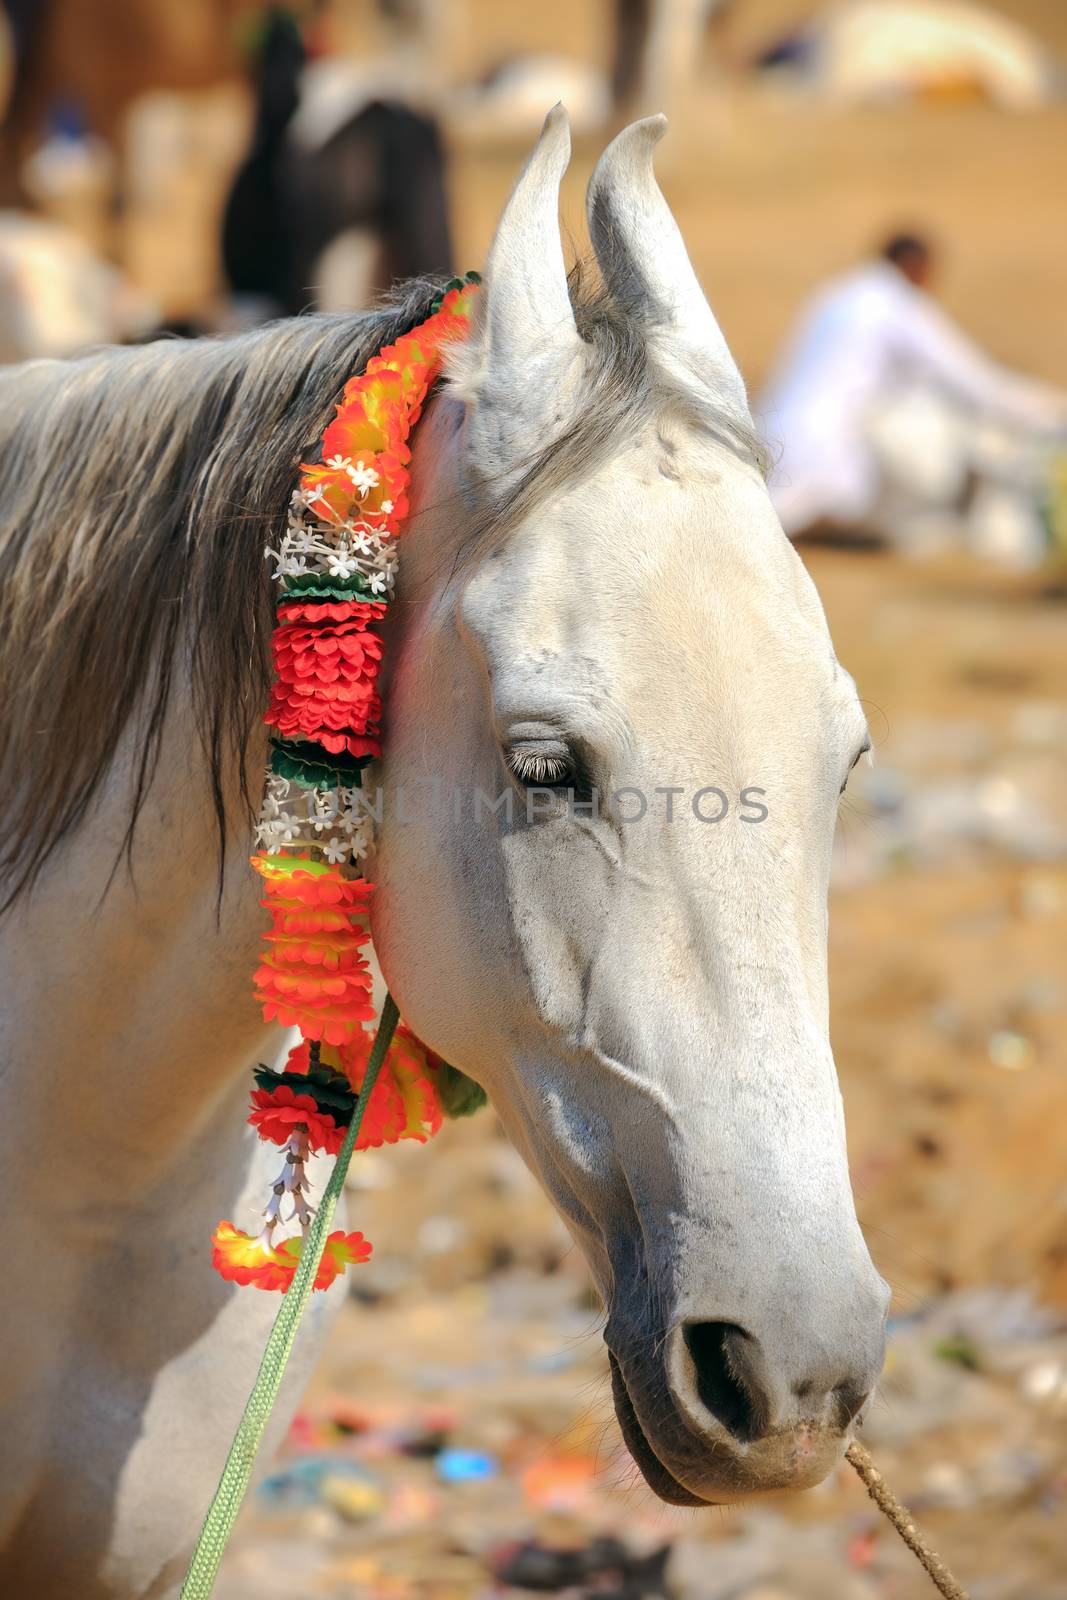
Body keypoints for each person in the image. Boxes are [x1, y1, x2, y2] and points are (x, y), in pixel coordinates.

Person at [758, 232, 1067, 540]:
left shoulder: (839, 293)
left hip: (771, 433)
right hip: (823, 453)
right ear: (914, 264)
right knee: (764, 530)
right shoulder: (894, 305)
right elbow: (976, 383)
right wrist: (1052, 410)